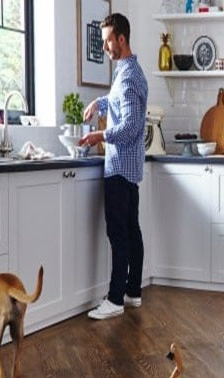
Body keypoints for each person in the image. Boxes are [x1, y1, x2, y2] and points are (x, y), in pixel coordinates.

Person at [79, 13, 148, 320]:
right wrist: (100, 103)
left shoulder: (130, 76)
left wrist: (100, 134)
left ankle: (115, 298)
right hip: (126, 167)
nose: (105, 46)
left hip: (119, 165)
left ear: (122, 39)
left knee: (118, 234)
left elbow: (132, 126)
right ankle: (133, 291)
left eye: (108, 40)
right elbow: (120, 101)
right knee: (131, 231)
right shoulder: (127, 71)